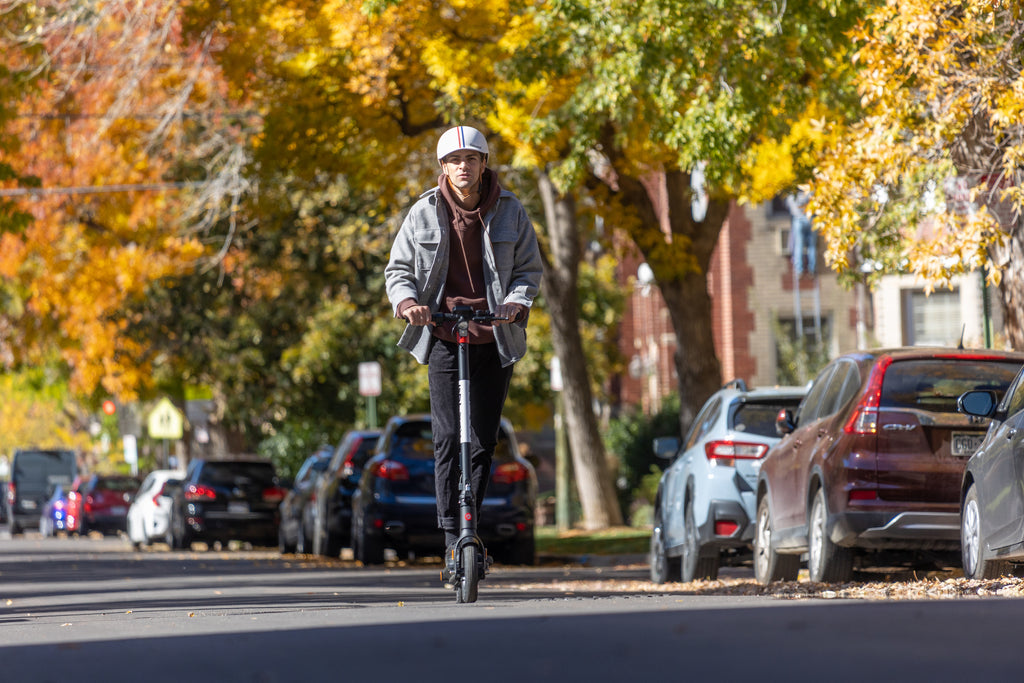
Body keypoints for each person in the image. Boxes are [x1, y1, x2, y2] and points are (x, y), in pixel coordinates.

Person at [384, 125, 543, 575]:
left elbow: (529, 269)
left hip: (493, 334)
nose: (462, 166)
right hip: (442, 334)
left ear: (484, 164)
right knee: (447, 439)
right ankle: (454, 537)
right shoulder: (423, 212)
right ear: (443, 167)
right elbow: (398, 269)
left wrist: (516, 301)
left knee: (483, 440)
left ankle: (473, 525)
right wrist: (409, 303)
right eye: (454, 160)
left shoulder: (511, 210)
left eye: (471, 158)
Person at [786, 189, 816, 277]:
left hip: (798, 220)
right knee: (812, 246)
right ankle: (812, 269)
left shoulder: (791, 196)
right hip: (810, 220)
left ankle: (799, 270)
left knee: (798, 245)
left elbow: (789, 207)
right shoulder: (809, 193)